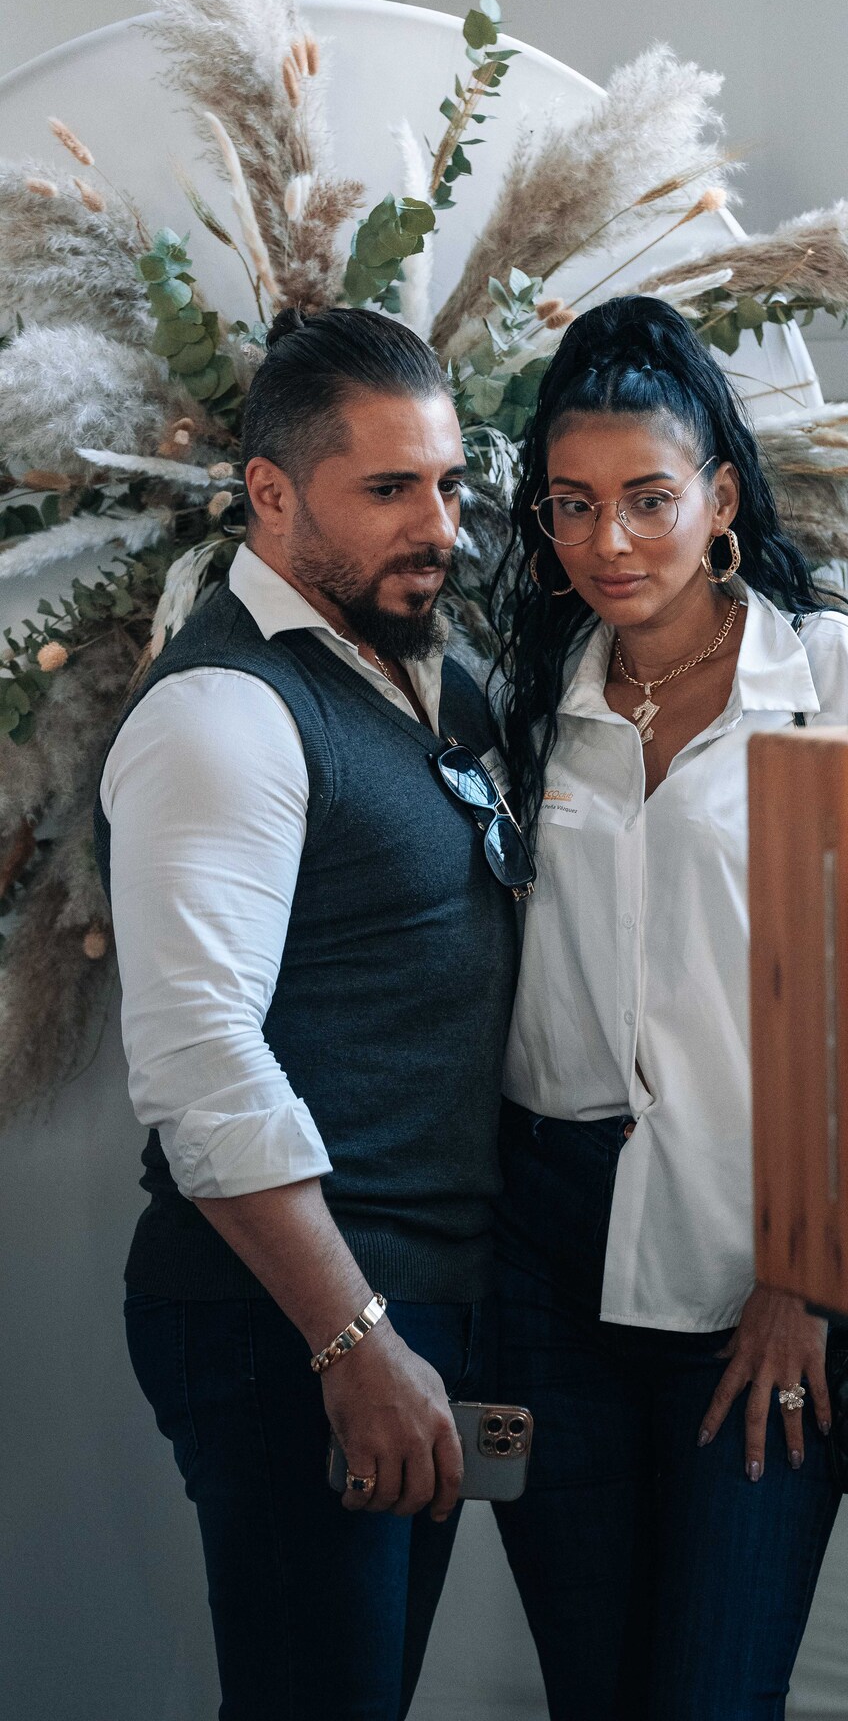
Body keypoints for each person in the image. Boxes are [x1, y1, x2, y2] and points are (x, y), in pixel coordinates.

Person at [489, 295, 848, 1721]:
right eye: (571, 505)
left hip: (757, 1251)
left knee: (713, 1692)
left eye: (648, 499)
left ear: (722, 497)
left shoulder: (838, 681)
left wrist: (805, 1276)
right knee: (596, 1692)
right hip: (547, 1252)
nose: (608, 542)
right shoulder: (527, 698)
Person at [96, 307, 531, 1721]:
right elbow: (200, 1063)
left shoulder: (423, 675)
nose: (438, 526)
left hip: (409, 1304)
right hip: (297, 1320)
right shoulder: (222, 714)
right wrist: (354, 1342)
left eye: (449, 483)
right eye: (389, 488)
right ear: (271, 495)